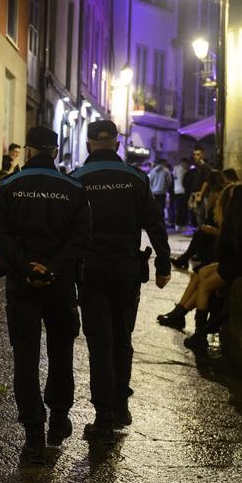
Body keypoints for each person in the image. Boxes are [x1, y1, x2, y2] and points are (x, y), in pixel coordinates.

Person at [0, 127, 91, 464]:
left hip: (21, 285)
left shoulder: (7, 186)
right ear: (56, 152)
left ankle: (34, 433)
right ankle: (59, 418)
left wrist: (25, 268)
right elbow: (81, 237)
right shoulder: (74, 188)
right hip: (60, 284)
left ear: (29, 152)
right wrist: (53, 269)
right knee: (61, 351)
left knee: (25, 356)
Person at [71, 120, 171, 442]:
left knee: (100, 343)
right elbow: (156, 225)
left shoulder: (75, 180)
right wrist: (164, 265)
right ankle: (121, 406)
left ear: (88, 144)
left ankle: (103, 417)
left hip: (92, 271)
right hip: (127, 271)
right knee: (122, 339)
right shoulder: (137, 178)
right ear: (116, 143)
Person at [165, 184, 242, 351]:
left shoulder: (232, 215)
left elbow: (222, 247)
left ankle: (200, 333)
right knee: (202, 272)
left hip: (234, 265)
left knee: (204, 286)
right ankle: (187, 319)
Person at [171, 157, 190, 231]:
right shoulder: (182, 170)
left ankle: (177, 224)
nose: (187, 166)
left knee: (178, 209)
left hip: (176, 190)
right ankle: (181, 225)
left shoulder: (175, 169)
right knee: (182, 209)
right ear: (184, 163)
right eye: (187, 164)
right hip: (182, 191)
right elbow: (182, 181)